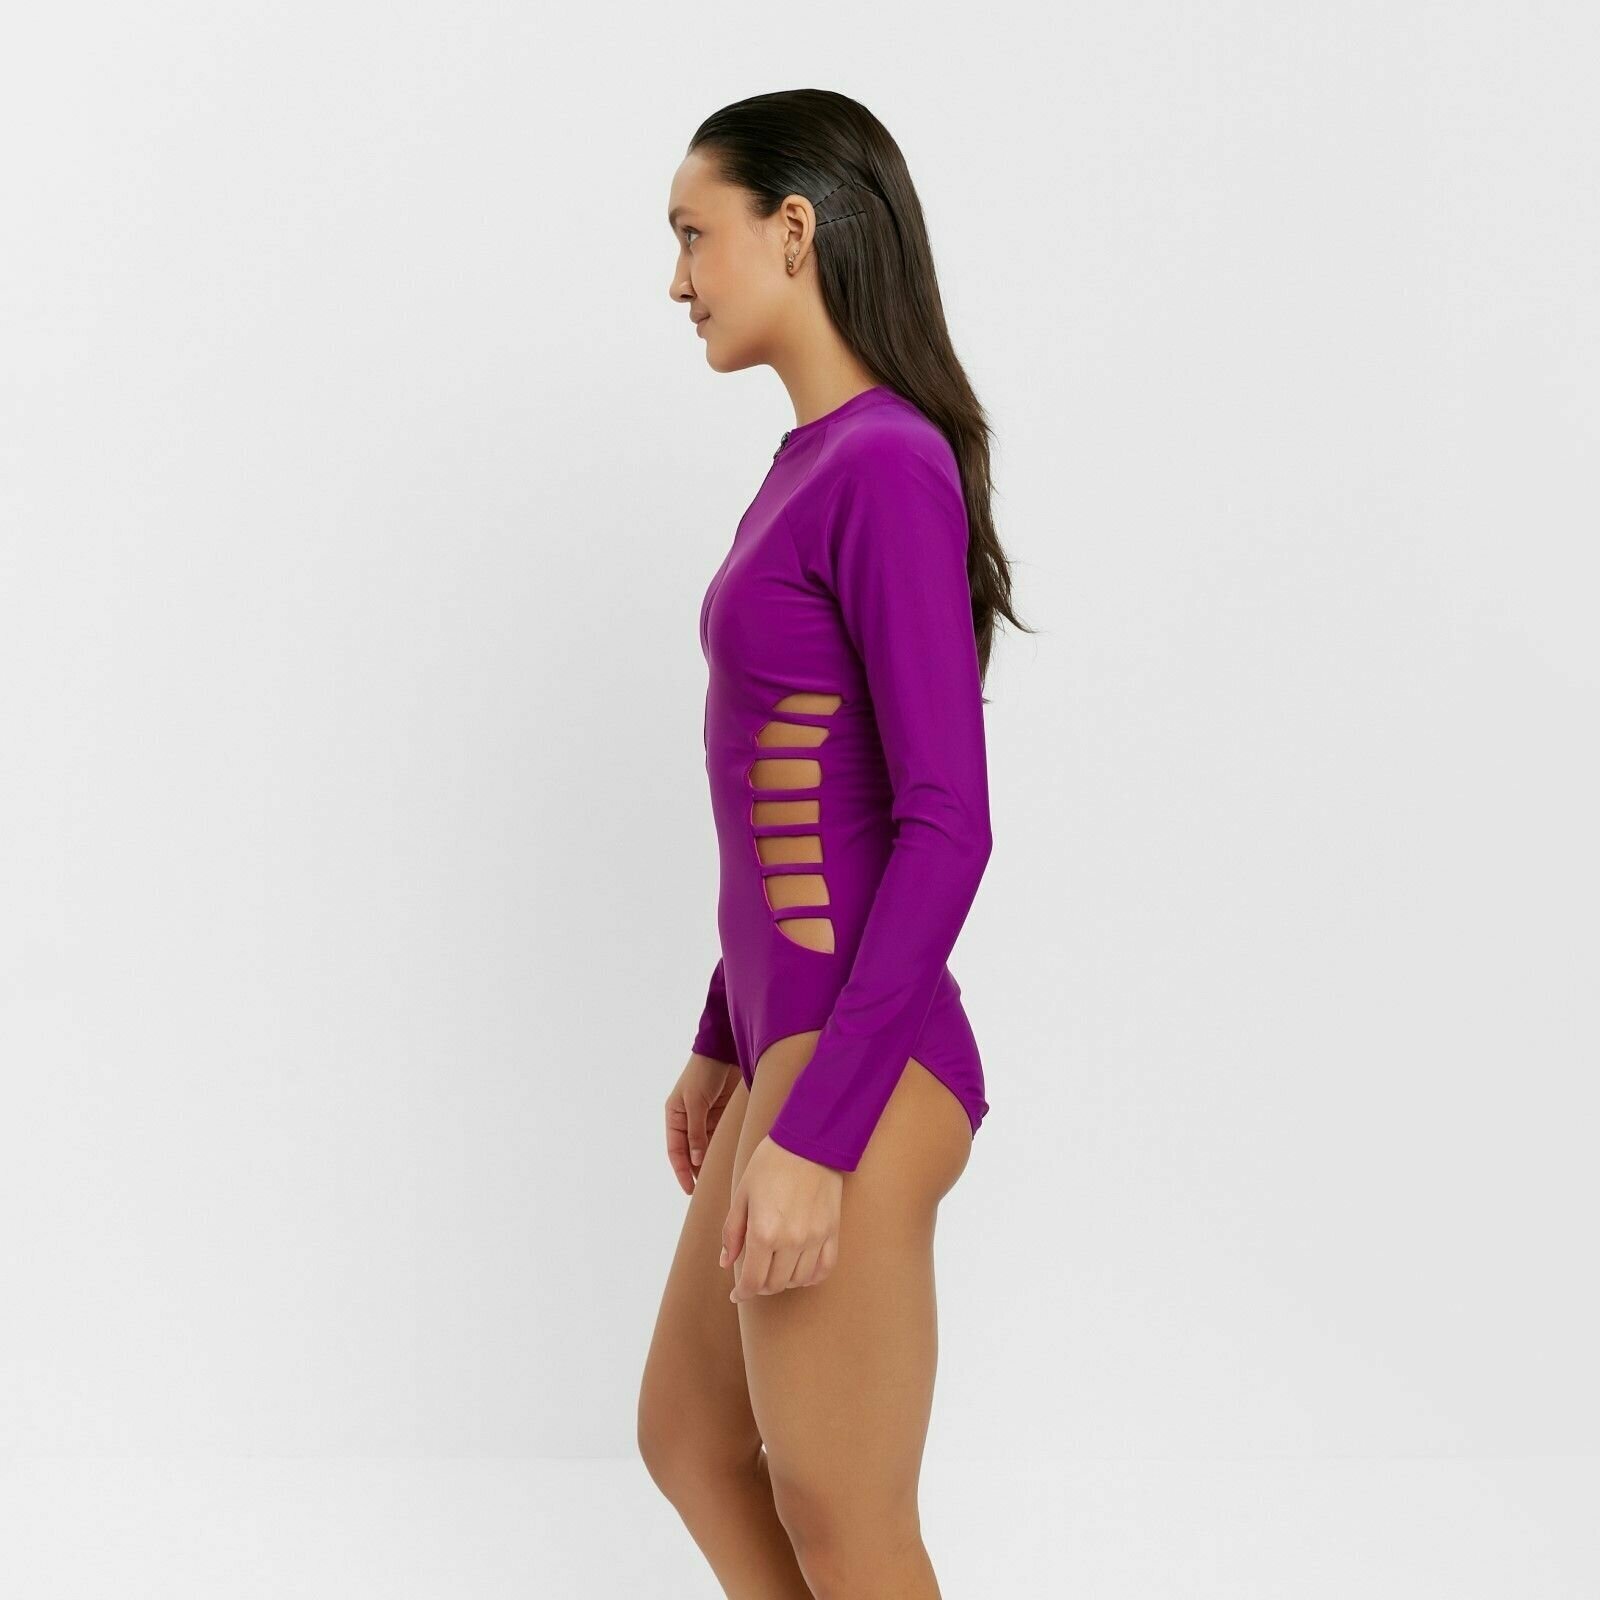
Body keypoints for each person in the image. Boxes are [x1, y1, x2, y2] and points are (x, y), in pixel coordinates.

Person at [638, 88, 1030, 1598]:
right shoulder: (809, 464)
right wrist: (721, 1033)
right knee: (692, 1439)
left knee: (844, 1513)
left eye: (695, 235)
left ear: (792, 229)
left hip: (860, 1061)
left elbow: (945, 822)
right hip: (786, 1042)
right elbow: (789, 801)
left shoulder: (884, 463)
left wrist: (813, 1131)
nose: (678, 279)